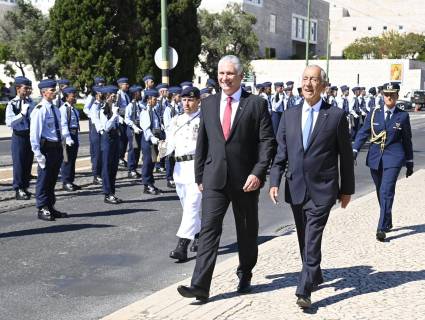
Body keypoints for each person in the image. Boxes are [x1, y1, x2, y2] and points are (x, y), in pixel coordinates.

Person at [177, 55, 275, 303]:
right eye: (221, 73)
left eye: (230, 73)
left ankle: (245, 272)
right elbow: (204, 143)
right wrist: (200, 175)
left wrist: (258, 172)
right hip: (214, 179)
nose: (224, 78)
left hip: (246, 180)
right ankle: (200, 285)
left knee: (246, 231)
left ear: (241, 76)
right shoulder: (208, 104)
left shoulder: (256, 104)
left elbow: (267, 142)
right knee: (209, 230)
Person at [269, 65, 354, 309]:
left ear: (323, 86)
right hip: (296, 187)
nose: (308, 84)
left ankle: (304, 290)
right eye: (305, 79)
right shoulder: (289, 115)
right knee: (303, 237)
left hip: (323, 189)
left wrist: (346, 189)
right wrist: (275, 181)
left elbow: (345, 157)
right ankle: (314, 273)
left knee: (312, 238)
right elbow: (281, 153)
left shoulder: (336, 116)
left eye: (314, 80)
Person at [353, 82, 413, 242]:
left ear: (397, 96)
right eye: (386, 94)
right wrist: (354, 150)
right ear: (383, 96)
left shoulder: (403, 116)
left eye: (392, 95)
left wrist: (410, 161)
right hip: (375, 158)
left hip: (394, 157)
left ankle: (381, 228)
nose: (389, 97)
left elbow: (407, 140)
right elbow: (363, 133)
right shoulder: (374, 113)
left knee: (386, 191)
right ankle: (388, 219)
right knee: (381, 191)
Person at [164, 86, 202, 262]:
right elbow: (170, 145)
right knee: (187, 205)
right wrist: (160, 145)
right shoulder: (176, 121)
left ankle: (182, 245)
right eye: (184, 100)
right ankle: (199, 235)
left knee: (192, 206)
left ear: (198, 101)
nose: (186, 103)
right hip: (179, 167)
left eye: (191, 100)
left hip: (196, 166)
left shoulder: (203, 120)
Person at [30, 79, 67, 221]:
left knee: (52, 179)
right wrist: (38, 154)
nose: (55, 92)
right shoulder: (40, 110)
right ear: (43, 92)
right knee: (43, 179)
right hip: (46, 149)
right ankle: (42, 207)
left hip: (56, 148)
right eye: (52, 90)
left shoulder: (55, 109)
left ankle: (50, 206)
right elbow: (34, 134)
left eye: (54, 90)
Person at [6, 76, 34, 200]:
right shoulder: (12, 104)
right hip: (19, 136)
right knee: (19, 163)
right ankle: (18, 189)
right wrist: (21, 114)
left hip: (29, 134)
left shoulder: (31, 102)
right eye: (26, 88)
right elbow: (9, 122)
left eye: (29, 88)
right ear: (18, 88)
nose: (28, 90)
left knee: (28, 162)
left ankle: (25, 187)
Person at [99, 85, 123, 204]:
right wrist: (114, 115)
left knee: (114, 166)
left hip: (115, 137)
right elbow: (106, 127)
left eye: (115, 95)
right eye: (112, 95)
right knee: (107, 166)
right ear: (107, 96)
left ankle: (112, 192)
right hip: (107, 138)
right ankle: (107, 193)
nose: (114, 97)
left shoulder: (114, 107)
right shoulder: (103, 109)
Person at [140, 89, 163, 195]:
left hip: (155, 139)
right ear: (149, 100)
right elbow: (146, 128)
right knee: (147, 162)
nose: (156, 101)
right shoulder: (145, 112)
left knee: (152, 162)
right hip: (148, 140)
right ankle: (146, 184)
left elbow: (158, 124)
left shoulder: (153, 111)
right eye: (154, 99)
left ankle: (151, 183)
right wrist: (152, 138)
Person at [60, 86, 81, 192]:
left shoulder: (74, 109)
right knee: (67, 160)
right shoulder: (63, 109)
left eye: (75, 95)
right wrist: (67, 138)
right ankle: (65, 182)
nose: (74, 98)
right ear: (66, 97)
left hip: (74, 135)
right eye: (73, 96)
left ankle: (71, 181)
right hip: (67, 136)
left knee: (72, 160)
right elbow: (63, 124)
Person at [125, 85, 144, 178]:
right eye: (139, 93)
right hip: (132, 130)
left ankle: (135, 168)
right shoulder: (130, 106)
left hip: (139, 129)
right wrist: (134, 126)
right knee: (133, 149)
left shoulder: (139, 105)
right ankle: (131, 169)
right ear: (135, 94)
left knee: (137, 150)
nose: (140, 94)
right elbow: (127, 119)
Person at [89, 87, 104, 185]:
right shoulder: (94, 106)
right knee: (97, 155)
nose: (101, 95)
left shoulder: (103, 105)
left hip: (102, 131)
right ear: (96, 95)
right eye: (99, 93)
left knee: (102, 154)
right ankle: (96, 176)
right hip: (96, 131)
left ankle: (101, 174)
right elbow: (95, 120)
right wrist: (101, 130)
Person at [116, 77, 130, 168]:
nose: (127, 85)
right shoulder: (119, 94)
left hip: (126, 119)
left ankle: (122, 156)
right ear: (121, 85)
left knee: (125, 140)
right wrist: (120, 119)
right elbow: (116, 108)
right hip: (121, 120)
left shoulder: (126, 95)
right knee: (121, 140)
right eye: (126, 84)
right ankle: (119, 157)